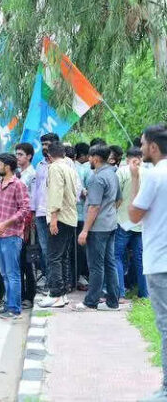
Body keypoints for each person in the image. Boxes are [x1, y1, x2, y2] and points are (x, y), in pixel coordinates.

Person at [128, 124, 167, 402]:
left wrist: (134, 179)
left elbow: (133, 215)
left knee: (165, 326)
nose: (140, 149)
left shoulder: (154, 176)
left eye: (142, 144)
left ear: (153, 147)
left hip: (160, 261)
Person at [74, 144, 121, 311]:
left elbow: (94, 206)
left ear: (96, 158)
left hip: (97, 228)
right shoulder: (113, 174)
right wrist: (109, 213)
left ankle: (91, 301)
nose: (88, 160)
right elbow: (118, 200)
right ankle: (113, 301)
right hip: (110, 224)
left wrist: (85, 230)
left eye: (90, 157)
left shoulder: (96, 178)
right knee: (110, 263)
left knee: (96, 265)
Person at [36, 142, 79, 308]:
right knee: (61, 257)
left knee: (53, 257)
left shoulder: (54, 168)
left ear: (49, 156)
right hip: (70, 217)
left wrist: (53, 218)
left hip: (59, 218)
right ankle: (62, 294)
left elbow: (55, 193)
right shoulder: (69, 167)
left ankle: (56, 294)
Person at [0, 153, 30, 319]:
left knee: (13, 273)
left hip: (12, 235)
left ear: (7, 166)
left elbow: (25, 210)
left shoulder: (18, 185)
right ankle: (9, 304)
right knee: (4, 273)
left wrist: (6, 224)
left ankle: (14, 309)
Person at [115, 146, 147, 299]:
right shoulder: (148, 173)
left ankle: (120, 293)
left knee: (117, 256)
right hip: (141, 224)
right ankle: (144, 294)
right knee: (140, 259)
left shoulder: (122, 171)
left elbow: (116, 196)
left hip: (123, 221)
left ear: (127, 158)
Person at [32, 133, 59, 286]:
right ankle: (50, 282)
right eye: (42, 144)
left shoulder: (64, 164)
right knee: (45, 249)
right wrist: (33, 211)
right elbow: (36, 190)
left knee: (57, 251)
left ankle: (59, 284)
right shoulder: (40, 165)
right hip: (41, 213)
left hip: (57, 214)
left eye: (47, 144)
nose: (44, 147)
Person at [15, 142, 37, 308]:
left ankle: (29, 295)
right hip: (15, 219)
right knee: (17, 260)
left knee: (27, 260)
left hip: (27, 219)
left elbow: (33, 200)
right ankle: (19, 294)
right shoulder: (17, 173)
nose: (18, 157)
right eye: (17, 154)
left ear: (29, 156)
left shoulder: (32, 174)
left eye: (21, 154)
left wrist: (32, 221)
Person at [74, 142, 92, 289]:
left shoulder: (70, 167)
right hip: (83, 215)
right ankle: (82, 276)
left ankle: (75, 277)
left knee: (74, 250)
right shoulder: (86, 169)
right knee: (82, 250)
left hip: (71, 215)